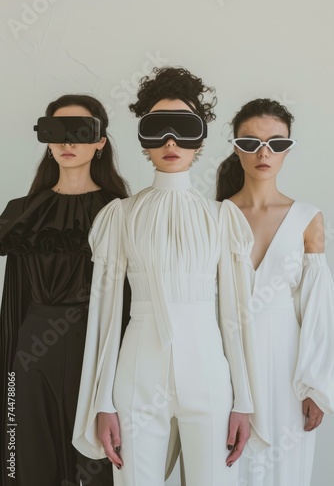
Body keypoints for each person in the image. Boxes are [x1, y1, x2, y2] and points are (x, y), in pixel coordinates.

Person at [73, 66, 253, 486]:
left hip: (209, 376)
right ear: (144, 141)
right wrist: (103, 401)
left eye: (184, 129)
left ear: (201, 139)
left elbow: (234, 316)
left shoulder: (222, 217)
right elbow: (104, 314)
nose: (171, 142)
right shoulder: (119, 216)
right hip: (137, 375)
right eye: (158, 129)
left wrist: (243, 400)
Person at [0, 94, 130, 486]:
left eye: (80, 132)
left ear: (100, 141)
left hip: (98, 355)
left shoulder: (121, 211)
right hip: (30, 358)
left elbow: (128, 298)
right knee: (30, 466)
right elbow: (14, 300)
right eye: (57, 132)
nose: (68, 143)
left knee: (97, 470)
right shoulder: (22, 211)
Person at [216, 98, 334, 486]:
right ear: (236, 147)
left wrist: (315, 385)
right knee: (222, 468)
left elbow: (317, 307)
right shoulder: (214, 217)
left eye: (276, 143)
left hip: (287, 372)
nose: (264, 153)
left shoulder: (307, 217)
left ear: (288, 148)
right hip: (224, 367)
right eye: (251, 143)